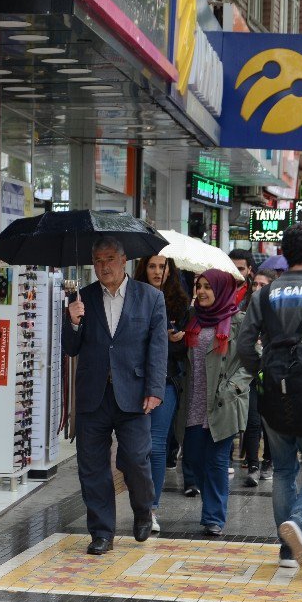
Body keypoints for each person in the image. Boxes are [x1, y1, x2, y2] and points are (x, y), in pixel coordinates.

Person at [237, 224, 302, 571]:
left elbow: (243, 345)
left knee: (283, 469)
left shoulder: (262, 296)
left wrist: (262, 374)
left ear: (284, 254)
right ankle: (299, 521)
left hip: (272, 395)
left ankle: (286, 552)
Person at [62, 236, 168, 555]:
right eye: (98, 260)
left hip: (134, 394)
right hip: (93, 395)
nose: (104, 266)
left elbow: (158, 347)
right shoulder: (83, 298)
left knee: (135, 459)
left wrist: (155, 389)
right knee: (91, 466)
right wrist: (73, 321)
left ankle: (142, 508)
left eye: (109, 259)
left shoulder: (149, 298)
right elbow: (69, 347)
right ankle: (101, 532)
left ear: (124, 261)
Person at [173, 269, 251, 535]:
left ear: (222, 291)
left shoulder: (238, 321)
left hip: (222, 402)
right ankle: (211, 507)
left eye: (209, 287)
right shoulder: (192, 318)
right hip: (194, 400)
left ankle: (214, 516)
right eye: (200, 286)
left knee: (217, 461)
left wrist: (234, 386)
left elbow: (253, 358)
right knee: (193, 459)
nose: (203, 292)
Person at [133, 254, 189, 532]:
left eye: (162, 266)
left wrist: (172, 341)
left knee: (156, 446)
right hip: (133, 380)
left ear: (170, 270)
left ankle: (150, 508)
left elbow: (184, 349)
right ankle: (139, 503)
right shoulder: (133, 297)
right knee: (134, 449)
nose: (157, 271)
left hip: (167, 380)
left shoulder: (179, 303)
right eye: (152, 266)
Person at [242, 268, 277, 487]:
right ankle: (253, 464)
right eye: (255, 284)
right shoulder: (247, 308)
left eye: (262, 285)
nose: (256, 289)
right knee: (252, 420)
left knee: (269, 422)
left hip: (272, 373)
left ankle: (269, 461)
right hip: (253, 371)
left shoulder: (277, 310)